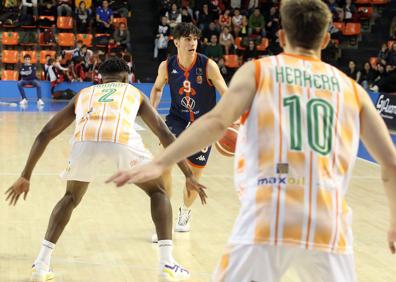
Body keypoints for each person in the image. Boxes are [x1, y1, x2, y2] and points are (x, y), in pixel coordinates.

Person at [108, 0, 396, 281]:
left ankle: (183, 211)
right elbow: (391, 163)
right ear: (325, 40)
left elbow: (216, 121)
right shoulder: (352, 90)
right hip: (327, 222)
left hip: (267, 213)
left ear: (282, 36)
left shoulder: (259, 72)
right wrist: (394, 220)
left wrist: (160, 161)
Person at [5, 57, 206, 282]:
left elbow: (45, 134)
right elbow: (164, 133)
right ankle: (167, 263)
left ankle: (41, 265)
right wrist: (188, 174)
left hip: (85, 140)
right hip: (121, 138)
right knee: (158, 192)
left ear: (100, 77)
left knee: (70, 197)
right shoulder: (133, 92)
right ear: (126, 77)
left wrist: (26, 175)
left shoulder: (83, 94)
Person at [149, 23, 227, 238]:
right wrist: (152, 113)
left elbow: (226, 93)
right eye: (187, 39)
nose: (192, 42)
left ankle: (185, 211)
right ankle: (165, 220)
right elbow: (157, 88)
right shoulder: (166, 66)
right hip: (177, 120)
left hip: (204, 124)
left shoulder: (208, 66)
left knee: (193, 175)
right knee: (163, 165)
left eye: (194, 39)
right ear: (176, 42)